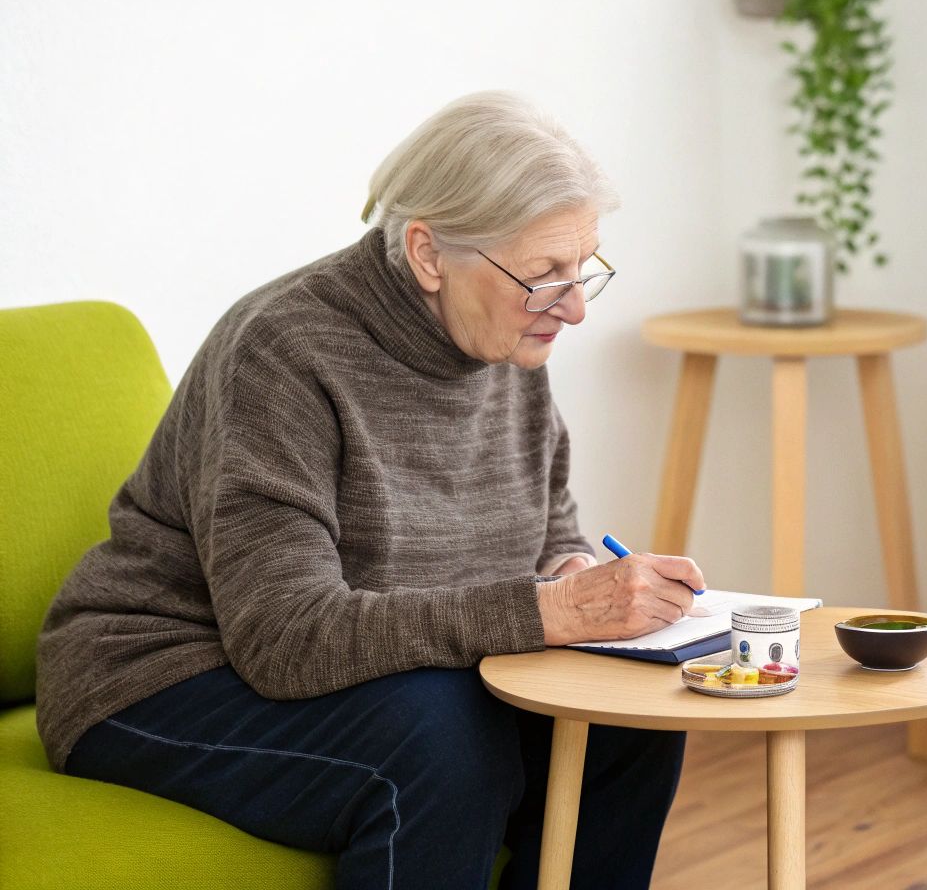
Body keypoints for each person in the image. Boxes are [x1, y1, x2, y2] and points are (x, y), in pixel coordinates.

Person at [36, 91, 703, 889]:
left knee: (628, 722)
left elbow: (548, 525)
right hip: (161, 675)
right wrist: (550, 612)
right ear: (427, 254)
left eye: (582, 269)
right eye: (542, 275)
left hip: (387, 673)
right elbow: (286, 638)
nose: (571, 308)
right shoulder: (285, 351)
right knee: (442, 742)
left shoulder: (508, 339)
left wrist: (570, 574)